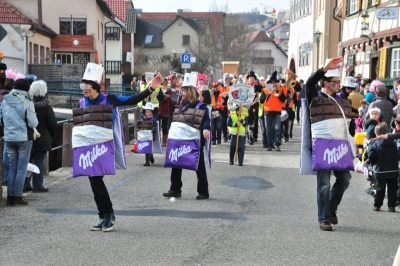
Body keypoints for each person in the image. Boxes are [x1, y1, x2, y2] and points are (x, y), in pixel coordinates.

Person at [77, 63, 161, 231]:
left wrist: (150, 89)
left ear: (94, 86)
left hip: (105, 144)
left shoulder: (109, 99)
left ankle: (109, 215)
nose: (83, 89)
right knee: (93, 181)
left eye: (86, 85)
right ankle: (103, 216)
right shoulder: (81, 102)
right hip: (89, 145)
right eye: (82, 85)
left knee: (96, 179)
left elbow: (132, 99)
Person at [305, 57, 352, 231]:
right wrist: (323, 69)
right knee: (324, 184)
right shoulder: (315, 96)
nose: (338, 85)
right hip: (322, 146)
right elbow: (309, 84)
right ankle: (324, 218)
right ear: (325, 83)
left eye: (339, 82)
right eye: (335, 82)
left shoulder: (342, 98)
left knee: (345, 179)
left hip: (340, 146)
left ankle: (331, 209)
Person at [163, 73, 211, 200]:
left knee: (199, 165)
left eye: (184, 90)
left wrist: (206, 128)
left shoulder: (200, 105)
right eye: (182, 90)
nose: (182, 92)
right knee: (176, 163)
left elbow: (206, 118)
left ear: (190, 91)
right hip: (179, 139)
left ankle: (203, 191)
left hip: (194, 140)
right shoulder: (180, 105)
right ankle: (175, 189)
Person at [0, 78, 38, 206]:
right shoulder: (27, 102)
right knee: (21, 168)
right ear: (27, 89)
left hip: (9, 138)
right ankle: (17, 196)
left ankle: (10, 197)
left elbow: (1, 119)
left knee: (11, 168)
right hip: (23, 139)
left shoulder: (5, 100)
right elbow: (33, 123)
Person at [23, 80, 57, 193]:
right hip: (42, 138)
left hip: (29, 136)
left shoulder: (28, 104)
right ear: (44, 91)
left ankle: (25, 184)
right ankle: (38, 185)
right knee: (38, 162)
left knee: (27, 162)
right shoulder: (46, 108)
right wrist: (52, 136)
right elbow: (53, 125)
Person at [366, 122, 398, 212]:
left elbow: (371, 155)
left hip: (379, 171)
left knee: (380, 189)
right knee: (392, 189)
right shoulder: (393, 143)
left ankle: (377, 205)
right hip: (393, 170)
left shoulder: (375, 144)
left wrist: (372, 163)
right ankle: (391, 206)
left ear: (377, 134)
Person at [259, 71, 287, 151]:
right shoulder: (265, 90)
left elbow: (283, 99)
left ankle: (276, 144)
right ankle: (270, 144)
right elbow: (261, 100)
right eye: (272, 83)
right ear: (269, 83)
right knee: (269, 129)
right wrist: (269, 94)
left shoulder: (280, 89)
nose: (273, 84)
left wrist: (278, 93)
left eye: (275, 82)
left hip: (277, 111)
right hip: (267, 112)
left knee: (277, 128)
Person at [158, 79, 171, 147]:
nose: (164, 86)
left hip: (166, 111)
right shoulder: (158, 90)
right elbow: (157, 98)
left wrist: (163, 98)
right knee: (157, 126)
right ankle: (158, 141)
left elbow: (169, 99)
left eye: (165, 84)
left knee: (164, 127)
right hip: (159, 109)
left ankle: (164, 142)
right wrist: (162, 98)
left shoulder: (169, 91)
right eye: (163, 84)